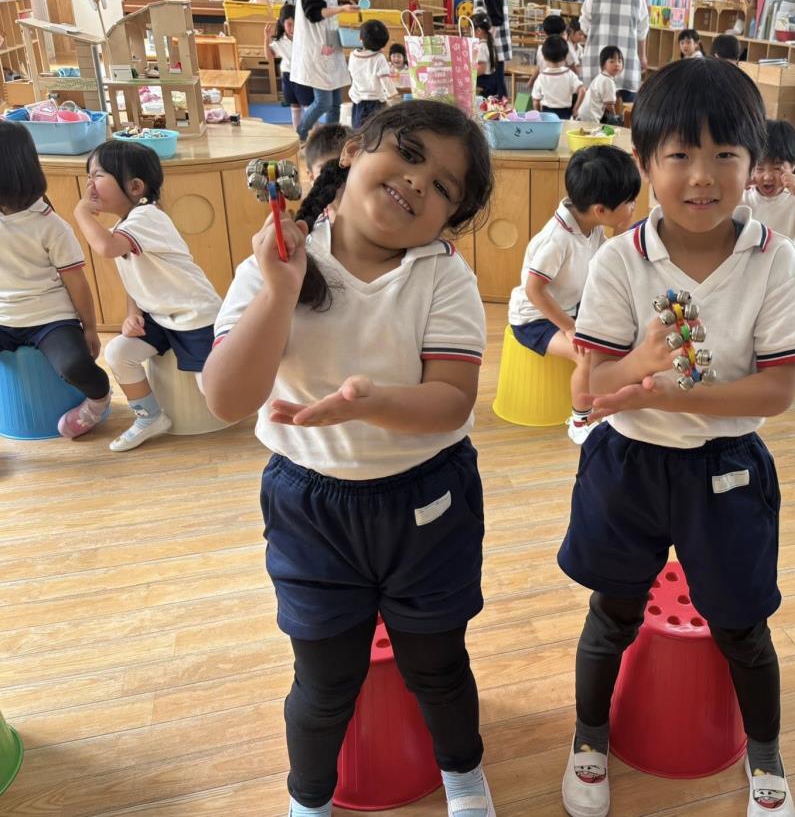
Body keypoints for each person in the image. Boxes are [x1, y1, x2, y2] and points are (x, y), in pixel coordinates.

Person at [203, 101, 498, 817]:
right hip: (311, 506)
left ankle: (463, 776)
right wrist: (279, 289)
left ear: (450, 219)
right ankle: (309, 799)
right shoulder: (280, 257)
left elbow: (450, 402)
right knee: (324, 678)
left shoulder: (442, 276)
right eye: (408, 154)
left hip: (428, 501)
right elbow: (226, 397)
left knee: (437, 662)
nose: (418, 182)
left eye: (444, 187)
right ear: (355, 150)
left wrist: (370, 403)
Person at [558, 57, 795, 817]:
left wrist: (688, 394)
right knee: (612, 613)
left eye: (724, 154)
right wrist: (639, 365)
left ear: (753, 163)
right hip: (628, 465)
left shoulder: (774, 260)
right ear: (644, 164)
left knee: (742, 623)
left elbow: (777, 390)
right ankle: (588, 738)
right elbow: (587, 394)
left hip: (727, 469)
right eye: (679, 155)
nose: (702, 176)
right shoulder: (619, 259)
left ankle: (764, 753)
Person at [72, 142, 221, 452]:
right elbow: (135, 280)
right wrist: (132, 313)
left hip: (195, 317)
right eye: (88, 177)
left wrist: (81, 213)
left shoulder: (147, 217)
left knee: (213, 390)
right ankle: (149, 416)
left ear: (135, 187)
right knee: (118, 353)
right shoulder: (124, 225)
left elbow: (106, 248)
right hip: (159, 317)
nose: (89, 185)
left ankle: (267, 394)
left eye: (98, 175)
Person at [507, 146, 640, 444]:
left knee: (621, 337)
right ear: (601, 210)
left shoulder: (591, 226)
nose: (634, 206)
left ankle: (608, 403)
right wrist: (569, 328)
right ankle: (580, 422)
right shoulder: (558, 240)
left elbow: (607, 259)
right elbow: (533, 290)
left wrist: (622, 227)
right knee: (587, 357)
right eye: (629, 202)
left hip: (569, 308)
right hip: (535, 318)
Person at [0, 122, 111, 439]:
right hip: (4, 316)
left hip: (50, 319)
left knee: (76, 366)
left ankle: (99, 400)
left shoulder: (50, 225)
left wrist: (89, 328)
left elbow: (76, 282)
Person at [292, 0, 358, 142]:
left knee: (336, 102)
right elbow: (313, 13)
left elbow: (327, 6)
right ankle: (300, 134)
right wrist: (341, 9)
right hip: (316, 47)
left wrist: (343, 6)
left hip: (329, 44)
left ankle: (331, 141)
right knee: (323, 102)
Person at [741, 119, 795, 246]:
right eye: (759, 168)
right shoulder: (743, 196)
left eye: (777, 168)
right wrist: (739, 187)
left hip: (786, 259)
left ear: (794, 164)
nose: (767, 177)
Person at [580, 0, 649, 103]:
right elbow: (642, 32)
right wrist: (643, 56)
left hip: (597, 63)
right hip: (626, 64)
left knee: (594, 111)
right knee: (626, 111)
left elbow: (584, 26)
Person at [264, 4, 314, 132]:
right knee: (294, 107)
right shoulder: (280, 41)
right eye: (289, 24)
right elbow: (269, 56)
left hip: (303, 76)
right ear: (282, 23)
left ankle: (315, 133)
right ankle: (298, 134)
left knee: (308, 107)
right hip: (288, 76)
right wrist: (266, 38)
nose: (292, 28)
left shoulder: (304, 38)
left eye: (295, 24)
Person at [471, 0, 511, 100]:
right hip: (489, 44)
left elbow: (496, 18)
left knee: (496, 88)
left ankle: (499, 111)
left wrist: (485, 42)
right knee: (495, 87)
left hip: (493, 45)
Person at [348, 19, 395, 129]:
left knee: (359, 131)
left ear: (360, 38)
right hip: (376, 103)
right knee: (376, 131)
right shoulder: (379, 58)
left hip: (357, 103)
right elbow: (386, 82)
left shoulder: (353, 55)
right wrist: (394, 96)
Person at [531, 36, 583, 120]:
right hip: (566, 114)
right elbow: (582, 90)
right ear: (565, 57)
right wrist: (576, 109)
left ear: (544, 57)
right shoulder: (569, 74)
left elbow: (536, 101)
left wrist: (538, 113)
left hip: (547, 114)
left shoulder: (541, 77)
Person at [574, 45, 624, 126]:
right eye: (612, 61)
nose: (617, 64)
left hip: (583, 114)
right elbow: (609, 105)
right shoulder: (608, 81)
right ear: (603, 65)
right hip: (591, 117)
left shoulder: (600, 77)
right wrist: (615, 117)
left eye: (619, 61)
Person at [528, 14, 579, 91]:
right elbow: (574, 70)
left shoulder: (541, 48)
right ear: (562, 32)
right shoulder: (565, 48)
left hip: (546, 86)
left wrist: (531, 82)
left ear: (544, 32)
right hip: (560, 88)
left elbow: (539, 68)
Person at [471, 13, 497, 97]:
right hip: (491, 80)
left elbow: (481, 69)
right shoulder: (489, 43)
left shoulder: (481, 47)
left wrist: (468, 74)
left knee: (482, 104)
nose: (470, 32)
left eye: (471, 29)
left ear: (478, 31)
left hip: (483, 83)